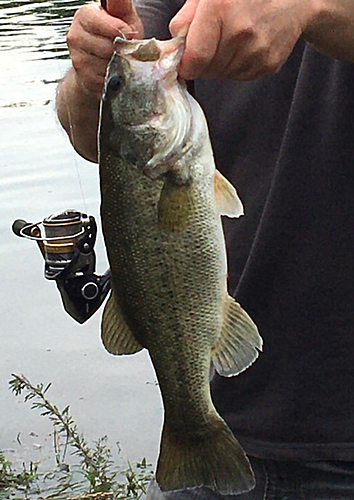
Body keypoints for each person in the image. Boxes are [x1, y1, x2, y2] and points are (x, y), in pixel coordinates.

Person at [57, 0, 354, 498]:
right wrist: (90, 76)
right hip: (228, 411)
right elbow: (88, 127)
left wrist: (312, 8)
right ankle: (190, 426)